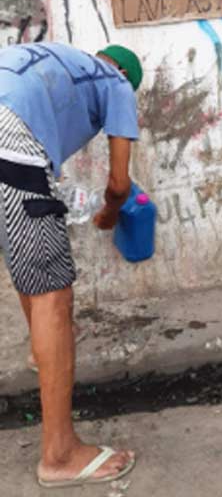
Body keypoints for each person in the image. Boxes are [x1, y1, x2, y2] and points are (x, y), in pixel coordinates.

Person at [0, 42, 142, 488]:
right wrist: (111, 213)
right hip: (9, 139)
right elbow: (119, 183)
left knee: (23, 251)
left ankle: (42, 351)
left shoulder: (57, 59)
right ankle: (60, 456)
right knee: (54, 295)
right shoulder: (117, 82)